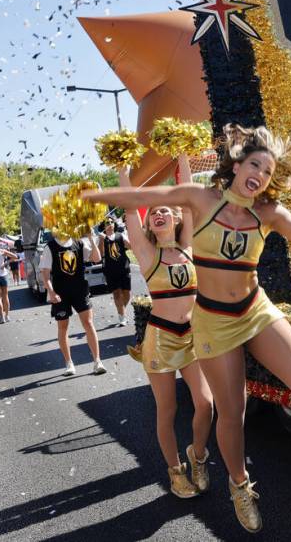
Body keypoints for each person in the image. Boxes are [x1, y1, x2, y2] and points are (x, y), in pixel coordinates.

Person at [83, 125, 291, 533]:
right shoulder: (200, 199)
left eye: (268, 171)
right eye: (255, 163)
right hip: (214, 324)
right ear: (237, 166)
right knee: (231, 412)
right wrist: (88, 199)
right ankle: (240, 486)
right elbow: (139, 199)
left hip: (255, 309)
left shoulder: (269, 213)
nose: (260, 174)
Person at [120, 155, 213, 498]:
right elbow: (131, 209)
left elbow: (188, 195)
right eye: (153, 212)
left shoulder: (188, 246)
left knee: (206, 404)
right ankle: (176, 471)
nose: (158, 213)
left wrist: (184, 157)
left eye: (165, 211)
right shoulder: (147, 253)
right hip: (160, 338)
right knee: (168, 410)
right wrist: (122, 169)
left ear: (176, 219)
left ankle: (197, 455)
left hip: (192, 337)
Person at [40, 230, 106, 376]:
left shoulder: (79, 243)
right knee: (63, 327)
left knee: (88, 323)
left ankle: (97, 361)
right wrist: (51, 292)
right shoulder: (49, 247)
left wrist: (90, 238)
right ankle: (69, 363)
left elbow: (96, 259)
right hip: (60, 293)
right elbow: (45, 274)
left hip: (79, 290)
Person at [98, 218, 131, 326]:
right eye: (107, 223)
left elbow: (130, 246)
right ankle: (122, 317)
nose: (110, 224)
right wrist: (102, 240)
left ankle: (121, 311)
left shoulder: (120, 235)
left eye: (112, 222)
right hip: (110, 270)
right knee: (117, 294)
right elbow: (101, 254)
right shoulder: (102, 238)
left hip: (124, 268)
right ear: (104, 226)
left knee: (127, 294)